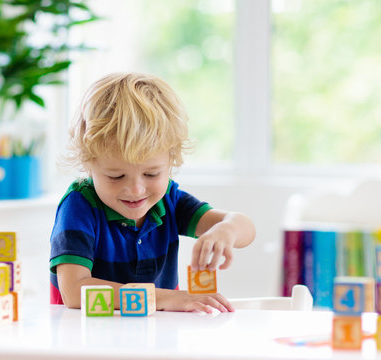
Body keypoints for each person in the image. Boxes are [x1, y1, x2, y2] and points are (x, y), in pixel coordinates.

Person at [49, 72, 256, 313]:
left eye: (151, 174)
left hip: (156, 335)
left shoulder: (168, 200)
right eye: (116, 176)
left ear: (171, 160)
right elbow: (74, 292)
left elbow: (246, 228)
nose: (136, 190)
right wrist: (165, 298)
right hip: (84, 337)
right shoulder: (80, 206)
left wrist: (226, 231)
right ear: (88, 164)